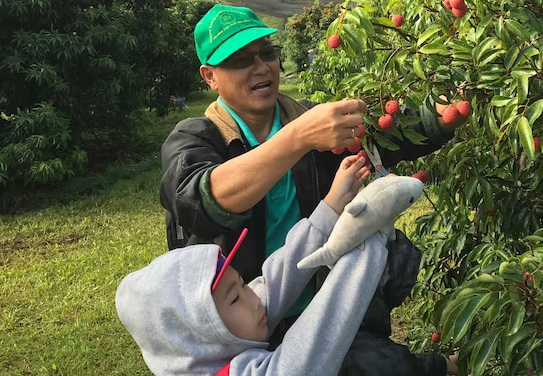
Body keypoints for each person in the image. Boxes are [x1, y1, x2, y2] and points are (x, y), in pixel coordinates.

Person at [160, 3, 465, 375]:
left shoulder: (316, 124)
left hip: (324, 301)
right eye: (241, 61)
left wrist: (448, 111)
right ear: (209, 76)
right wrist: (299, 136)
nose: (261, 68)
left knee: (384, 367)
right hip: (242, 324)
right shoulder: (196, 139)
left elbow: (389, 135)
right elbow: (201, 200)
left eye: (266, 54)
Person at [117, 156, 388, 376]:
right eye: (235, 297)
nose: (254, 299)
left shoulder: (220, 338)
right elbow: (310, 351)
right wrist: (368, 237)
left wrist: (331, 206)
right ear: (200, 334)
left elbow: (275, 281)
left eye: (242, 285)